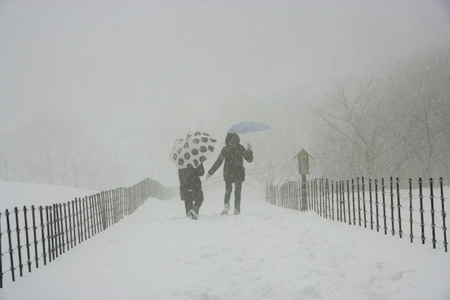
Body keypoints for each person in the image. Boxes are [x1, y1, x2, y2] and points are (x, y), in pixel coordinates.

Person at [206, 132, 253, 215]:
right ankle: (237, 209)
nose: (233, 143)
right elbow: (249, 159)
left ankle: (227, 207)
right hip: (238, 173)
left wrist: (211, 172)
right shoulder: (240, 148)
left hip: (229, 173)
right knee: (237, 192)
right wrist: (249, 149)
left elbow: (219, 161)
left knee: (228, 190)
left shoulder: (226, 149)